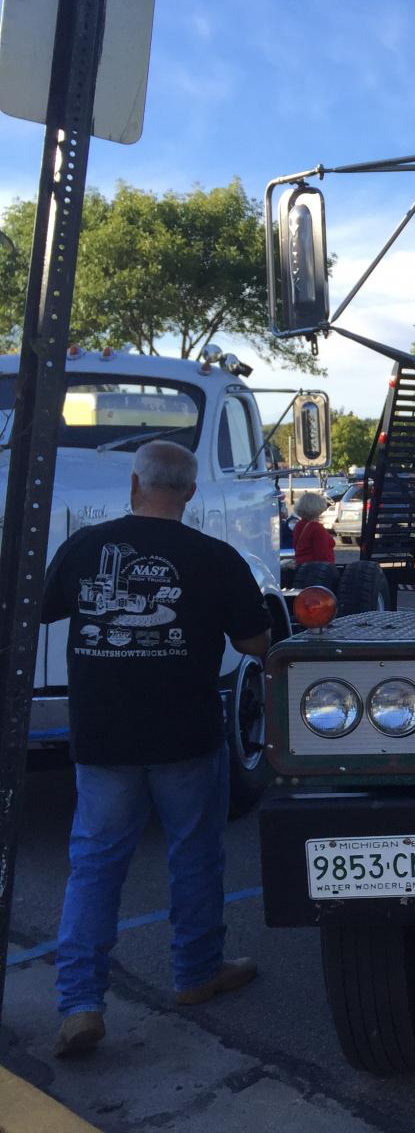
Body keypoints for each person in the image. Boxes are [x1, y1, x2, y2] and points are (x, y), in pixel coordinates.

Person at [41, 441, 271, 1058]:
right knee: (194, 856)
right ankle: (196, 973)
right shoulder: (215, 556)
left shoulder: (84, 546)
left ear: (135, 484)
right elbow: (255, 642)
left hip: (102, 737)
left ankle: (80, 1004)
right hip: (185, 736)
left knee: (94, 866)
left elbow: (42, 609)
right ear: (190, 492)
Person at [291, 490, 335, 565]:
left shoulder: (299, 525)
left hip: (302, 565)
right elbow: (322, 553)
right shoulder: (317, 528)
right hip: (316, 567)